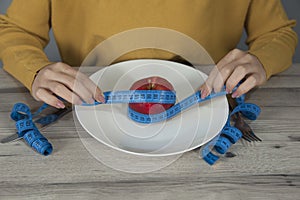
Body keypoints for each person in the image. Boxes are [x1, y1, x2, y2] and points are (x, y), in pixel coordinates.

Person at [0, 0, 298, 109]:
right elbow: (15, 30)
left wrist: (260, 60)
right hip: (84, 113)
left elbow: (277, 33)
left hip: (209, 113)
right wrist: (36, 70)